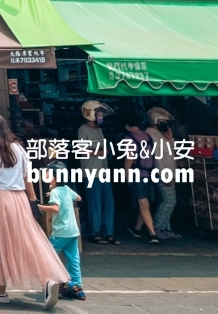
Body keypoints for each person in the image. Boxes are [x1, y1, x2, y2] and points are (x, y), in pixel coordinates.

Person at [0, 113, 68, 311]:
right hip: (20, 199)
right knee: (30, 242)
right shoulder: (19, 149)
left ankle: (0, 291)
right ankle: (48, 280)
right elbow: (28, 179)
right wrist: (33, 201)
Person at [38, 161, 86, 301]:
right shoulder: (66, 189)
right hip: (73, 231)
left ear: (54, 176)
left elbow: (55, 209)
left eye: (47, 173)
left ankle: (59, 283)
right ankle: (78, 288)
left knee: (48, 256)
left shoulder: (55, 192)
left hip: (60, 232)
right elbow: (78, 198)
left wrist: (40, 206)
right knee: (73, 259)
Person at [78, 100, 120, 245]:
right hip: (91, 173)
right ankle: (95, 232)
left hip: (103, 172)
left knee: (109, 203)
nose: (101, 116)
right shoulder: (83, 130)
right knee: (95, 204)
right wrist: (101, 152)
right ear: (90, 114)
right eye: (99, 114)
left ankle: (109, 232)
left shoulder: (99, 130)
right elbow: (82, 152)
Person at [123, 116, 158, 243]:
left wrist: (127, 175)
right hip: (149, 174)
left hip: (138, 175)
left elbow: (129, 159)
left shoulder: (129, 139)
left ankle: (152, 234)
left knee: (143, 204)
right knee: (144, 203)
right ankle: (137, 229)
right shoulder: (148, 136)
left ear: (127, 127)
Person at [146, 108, 179, 240]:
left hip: (169, 171)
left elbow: (171, 151)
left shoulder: (160, 134)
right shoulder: (151, 134)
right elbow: (157, 157)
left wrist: (170, 138)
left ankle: (165, 228)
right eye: (163, 121)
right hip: (163, 173)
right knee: (170, 201)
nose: (165, 123)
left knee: (166, 201)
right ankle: (157, 228)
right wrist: (165, 175)